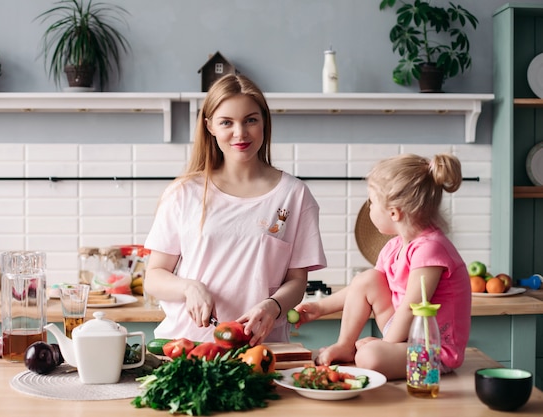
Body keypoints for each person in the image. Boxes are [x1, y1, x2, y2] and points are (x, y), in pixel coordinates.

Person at [144, 74, 327, 346]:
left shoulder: (293, 195)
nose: (240, 133)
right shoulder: (184, 193)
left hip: (261, 349)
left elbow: (297, 282)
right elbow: (154, 277)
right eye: (226, 122)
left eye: (250, 120)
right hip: (186, 347)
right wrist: (189, 287)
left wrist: (272, 306)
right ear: (210, 127)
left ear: (264, 121)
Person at [293, 153, 471, 380]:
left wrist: (385, 346)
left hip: (433, 351)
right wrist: (320, 308)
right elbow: (361, 289)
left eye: (371, 202)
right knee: (368, 279)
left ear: (394, 212)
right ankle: (345, 345)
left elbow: (410, 307)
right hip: (404, 337)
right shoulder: (394, 246)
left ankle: (377, 351)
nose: (369, 209)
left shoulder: (431, 249)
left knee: (370, 358)